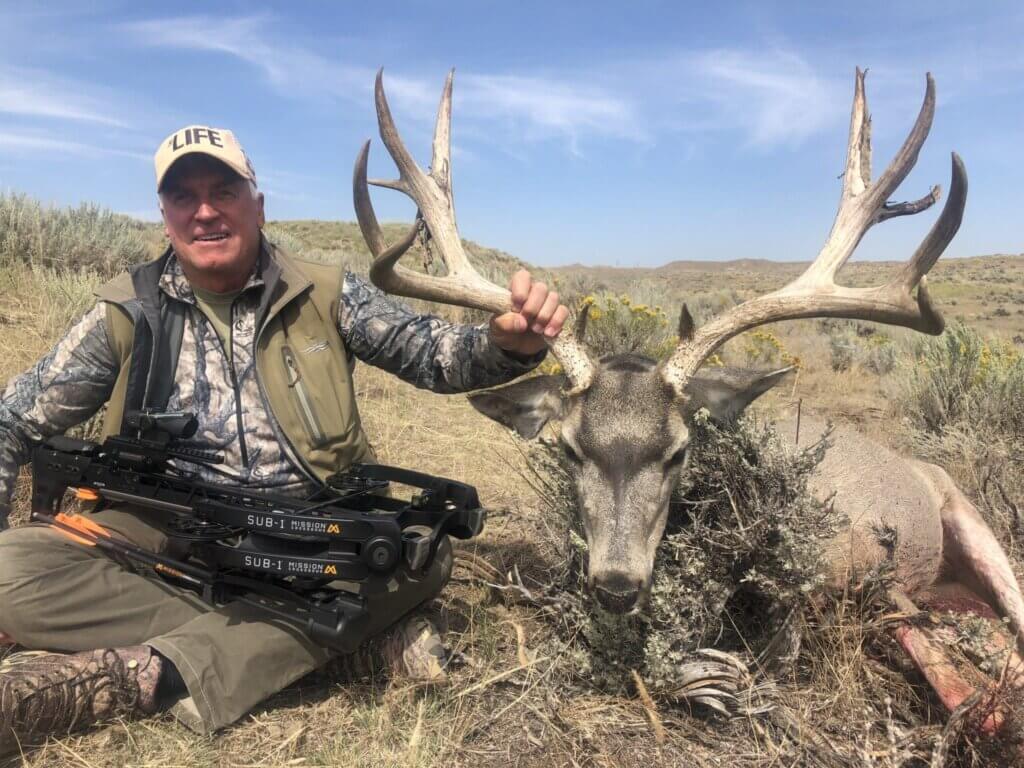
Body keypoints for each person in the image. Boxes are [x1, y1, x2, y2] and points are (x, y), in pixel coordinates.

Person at [0, 125, 567, 752]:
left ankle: (146, 675)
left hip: (314, 536)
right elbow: (12, 421)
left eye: (224, 190)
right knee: (7, 570)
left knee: (420, 553)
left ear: (258, 205)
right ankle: (320, 643)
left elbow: (434, 355)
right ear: (166, 218)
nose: (206, 210)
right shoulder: (125, 312)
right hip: (163, 532)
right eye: (184, 197)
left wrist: (505, 344)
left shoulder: (325, 294)